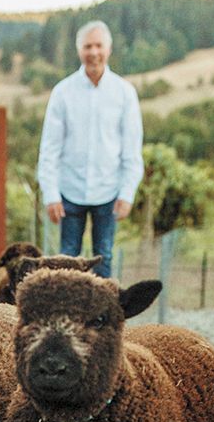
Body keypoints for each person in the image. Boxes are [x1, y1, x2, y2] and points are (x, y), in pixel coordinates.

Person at [37, 20, 144, 278]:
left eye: (98, 46)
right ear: (79, 50)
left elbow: (132, 148)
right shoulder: (62, 92)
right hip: (69, 191)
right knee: (67, 259)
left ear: (108, 49)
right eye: (87, 46)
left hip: (109, 191)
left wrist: (127, 192)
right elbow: (49, 148)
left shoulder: (124, 93)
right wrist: (51, 194)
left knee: (104, 257)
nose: (93, 52)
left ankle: (101, 318)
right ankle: (67, 315)